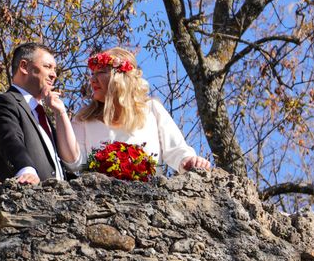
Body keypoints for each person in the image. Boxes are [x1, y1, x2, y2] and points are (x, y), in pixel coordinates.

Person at [50, 47, 211, 174]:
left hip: (150, 203)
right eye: (92, 74)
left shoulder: (151, 110)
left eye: (101, 72)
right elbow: (74, 163)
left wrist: (189, 161)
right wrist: (60, 113)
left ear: (120, 77)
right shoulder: (83, 119)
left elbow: (176, 150)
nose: (92, 79)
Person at [0, 42, 67, 184]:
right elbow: (8, 138)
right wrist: (25, 170)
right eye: (47, 67)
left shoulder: (45, 117)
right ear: (24, 66)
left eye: (55, 69)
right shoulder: (2, 102)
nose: (54, 75)